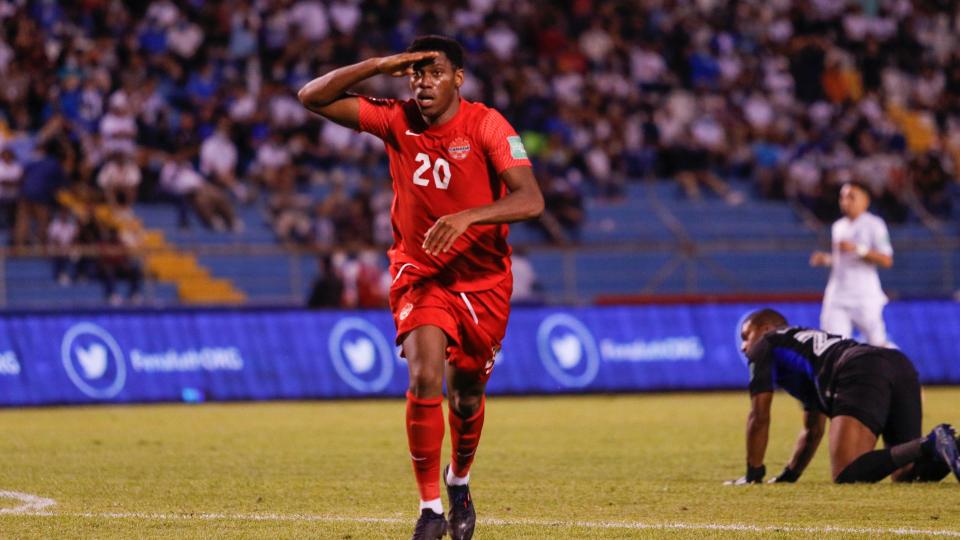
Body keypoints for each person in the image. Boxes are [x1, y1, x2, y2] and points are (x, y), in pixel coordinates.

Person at [298, 35, 544, 540]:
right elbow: (311, 97)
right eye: (415, 74)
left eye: (434, 73)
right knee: (425, 375)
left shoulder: (488, 125)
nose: (423, 83)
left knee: (468, 395)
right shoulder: (396, 119)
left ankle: (460, 481)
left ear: (458, 77)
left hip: (483, 280)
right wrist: (375, 64)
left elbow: (531, 200)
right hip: (420, 273)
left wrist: (468, 216)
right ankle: (430, 509)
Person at [729, 308, 960, 485]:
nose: (743, 346)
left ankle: (930, 442)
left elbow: (759, 416)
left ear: (766, 329)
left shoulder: (765, 344)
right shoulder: (802, 352)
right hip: (898, 363)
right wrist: (788, 476)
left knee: (846, 472)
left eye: (746, 335)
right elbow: (813, 431)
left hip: (859, 367)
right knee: (905, 473)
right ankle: (948, 445)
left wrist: (753, 474)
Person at [809, 181, 893, 346]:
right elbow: (842, 261)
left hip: (864, 296)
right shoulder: (838, 226)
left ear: (865, 201)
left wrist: (859, 249)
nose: (845, 201)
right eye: (842, 197)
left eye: (851, 197)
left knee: (877, 344)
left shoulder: (875, 225)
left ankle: (898, 370)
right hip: (837, 295)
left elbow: (886, 259)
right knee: (832, 345)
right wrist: (826, 259)